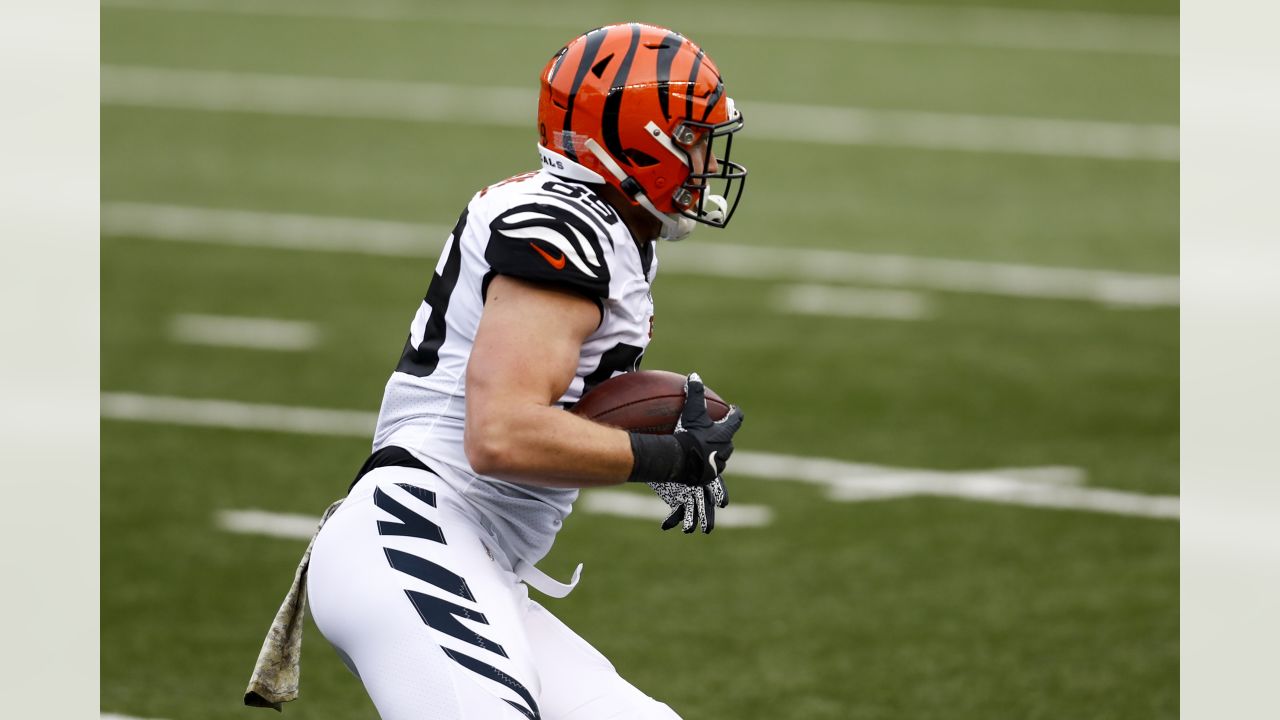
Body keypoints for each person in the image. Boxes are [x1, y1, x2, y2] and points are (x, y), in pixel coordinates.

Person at [305, 23, 748, 720]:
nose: (704, 160)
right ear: (639, 140)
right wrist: (662, 453)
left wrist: (658, 449)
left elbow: (561, 405)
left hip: (475, 557)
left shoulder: (607, 228)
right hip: (417, 528)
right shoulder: (562, 226)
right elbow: (501, 435)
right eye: (691, 138)